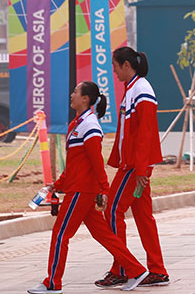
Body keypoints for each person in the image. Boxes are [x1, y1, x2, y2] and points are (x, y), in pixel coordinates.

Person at [27, 81, 149, 294]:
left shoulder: (90, 125)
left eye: (75, 91)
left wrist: (104, 190)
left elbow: (96, 162)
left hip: (82, 191)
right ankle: (136, 270)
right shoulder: (78, 123)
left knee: (60, 235)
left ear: (85, 99)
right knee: (104, 235)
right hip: (79, 189)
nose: (71, 94)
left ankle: (53, 283)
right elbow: (74, 164)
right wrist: (56, 186)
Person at [95, 46, 169, 288]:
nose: (114, 73)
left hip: (135, 167)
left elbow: (146, 132)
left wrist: (140, 170)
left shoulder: (141, 90)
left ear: (126, 66)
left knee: (112, 211)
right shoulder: (132, 90)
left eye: (115, 67)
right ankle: (157, 270)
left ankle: (122, 268)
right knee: (143, 217)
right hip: (133, 165)